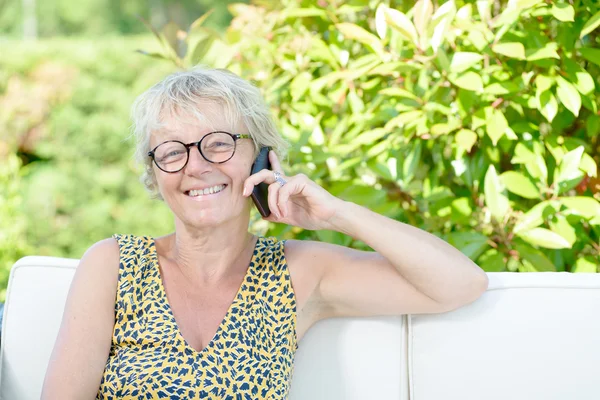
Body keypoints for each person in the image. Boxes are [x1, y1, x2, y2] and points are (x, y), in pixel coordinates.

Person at [41, 67, 488, 399]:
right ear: (155, 175)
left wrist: (337, 214)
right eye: (173, 151)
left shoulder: (298, 271)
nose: (196, 166)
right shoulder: (114, 264)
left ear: (262, 159)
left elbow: (461, 284)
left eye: (218, 143)